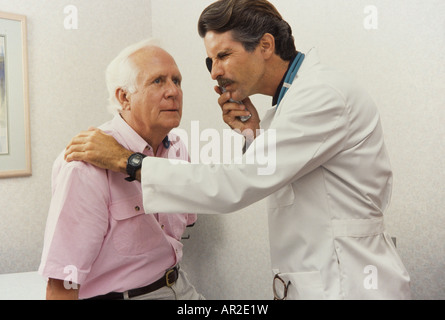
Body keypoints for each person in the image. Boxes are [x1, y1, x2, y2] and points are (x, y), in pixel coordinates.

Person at [64, 0, 411, 299]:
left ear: (265, 45)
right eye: (210, 61)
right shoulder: (293, 102)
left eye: (223, 55)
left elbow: (236, 185)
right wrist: (252, 134)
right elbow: (285, 175)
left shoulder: (320, 96)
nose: (215, 72)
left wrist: (130, 161)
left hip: (347, 282)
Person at [39, 38, 203, 300]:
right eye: (158, 81)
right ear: (124, 97)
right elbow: (61, 283)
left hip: (179, 286)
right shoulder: (85, 165)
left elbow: (190, 217)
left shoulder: (178, 148)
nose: (173, 91)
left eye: (177, 80)